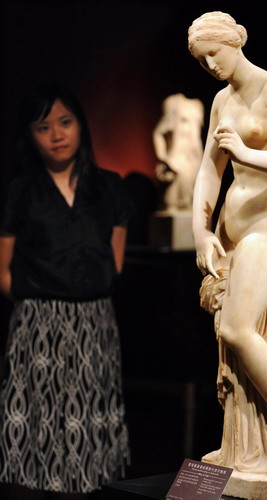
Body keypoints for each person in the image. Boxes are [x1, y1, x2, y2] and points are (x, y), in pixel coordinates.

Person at [188, 11, 267, 477]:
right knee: (233, 339)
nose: (211, 67)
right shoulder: (221, 101)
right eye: (202, 61)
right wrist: (201, 231)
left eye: (215, 55)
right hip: (232, 228)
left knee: (237, 329)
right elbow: (208, 169)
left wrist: (245, 152)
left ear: (236, 42)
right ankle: (241, 442)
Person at [0, 81, 134, 499]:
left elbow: (115, 260)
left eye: (64, 122)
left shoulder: (110, 187)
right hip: (37, 321)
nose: (56, 134)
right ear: (29, 135)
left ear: (80, 126)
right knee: (36, 426)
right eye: (43, 127)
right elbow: (3, 268)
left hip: (95, 319)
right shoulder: (19, 190)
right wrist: (36, 307)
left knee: (90, 422)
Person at [153, 93, 204, 211]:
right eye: (184, 120)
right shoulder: (174, 104)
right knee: (172, 199)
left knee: (191, 197)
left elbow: (196, 139)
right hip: (177, 157)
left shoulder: (197, 106)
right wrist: (163, 158)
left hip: (193, 157)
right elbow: (158, 133)